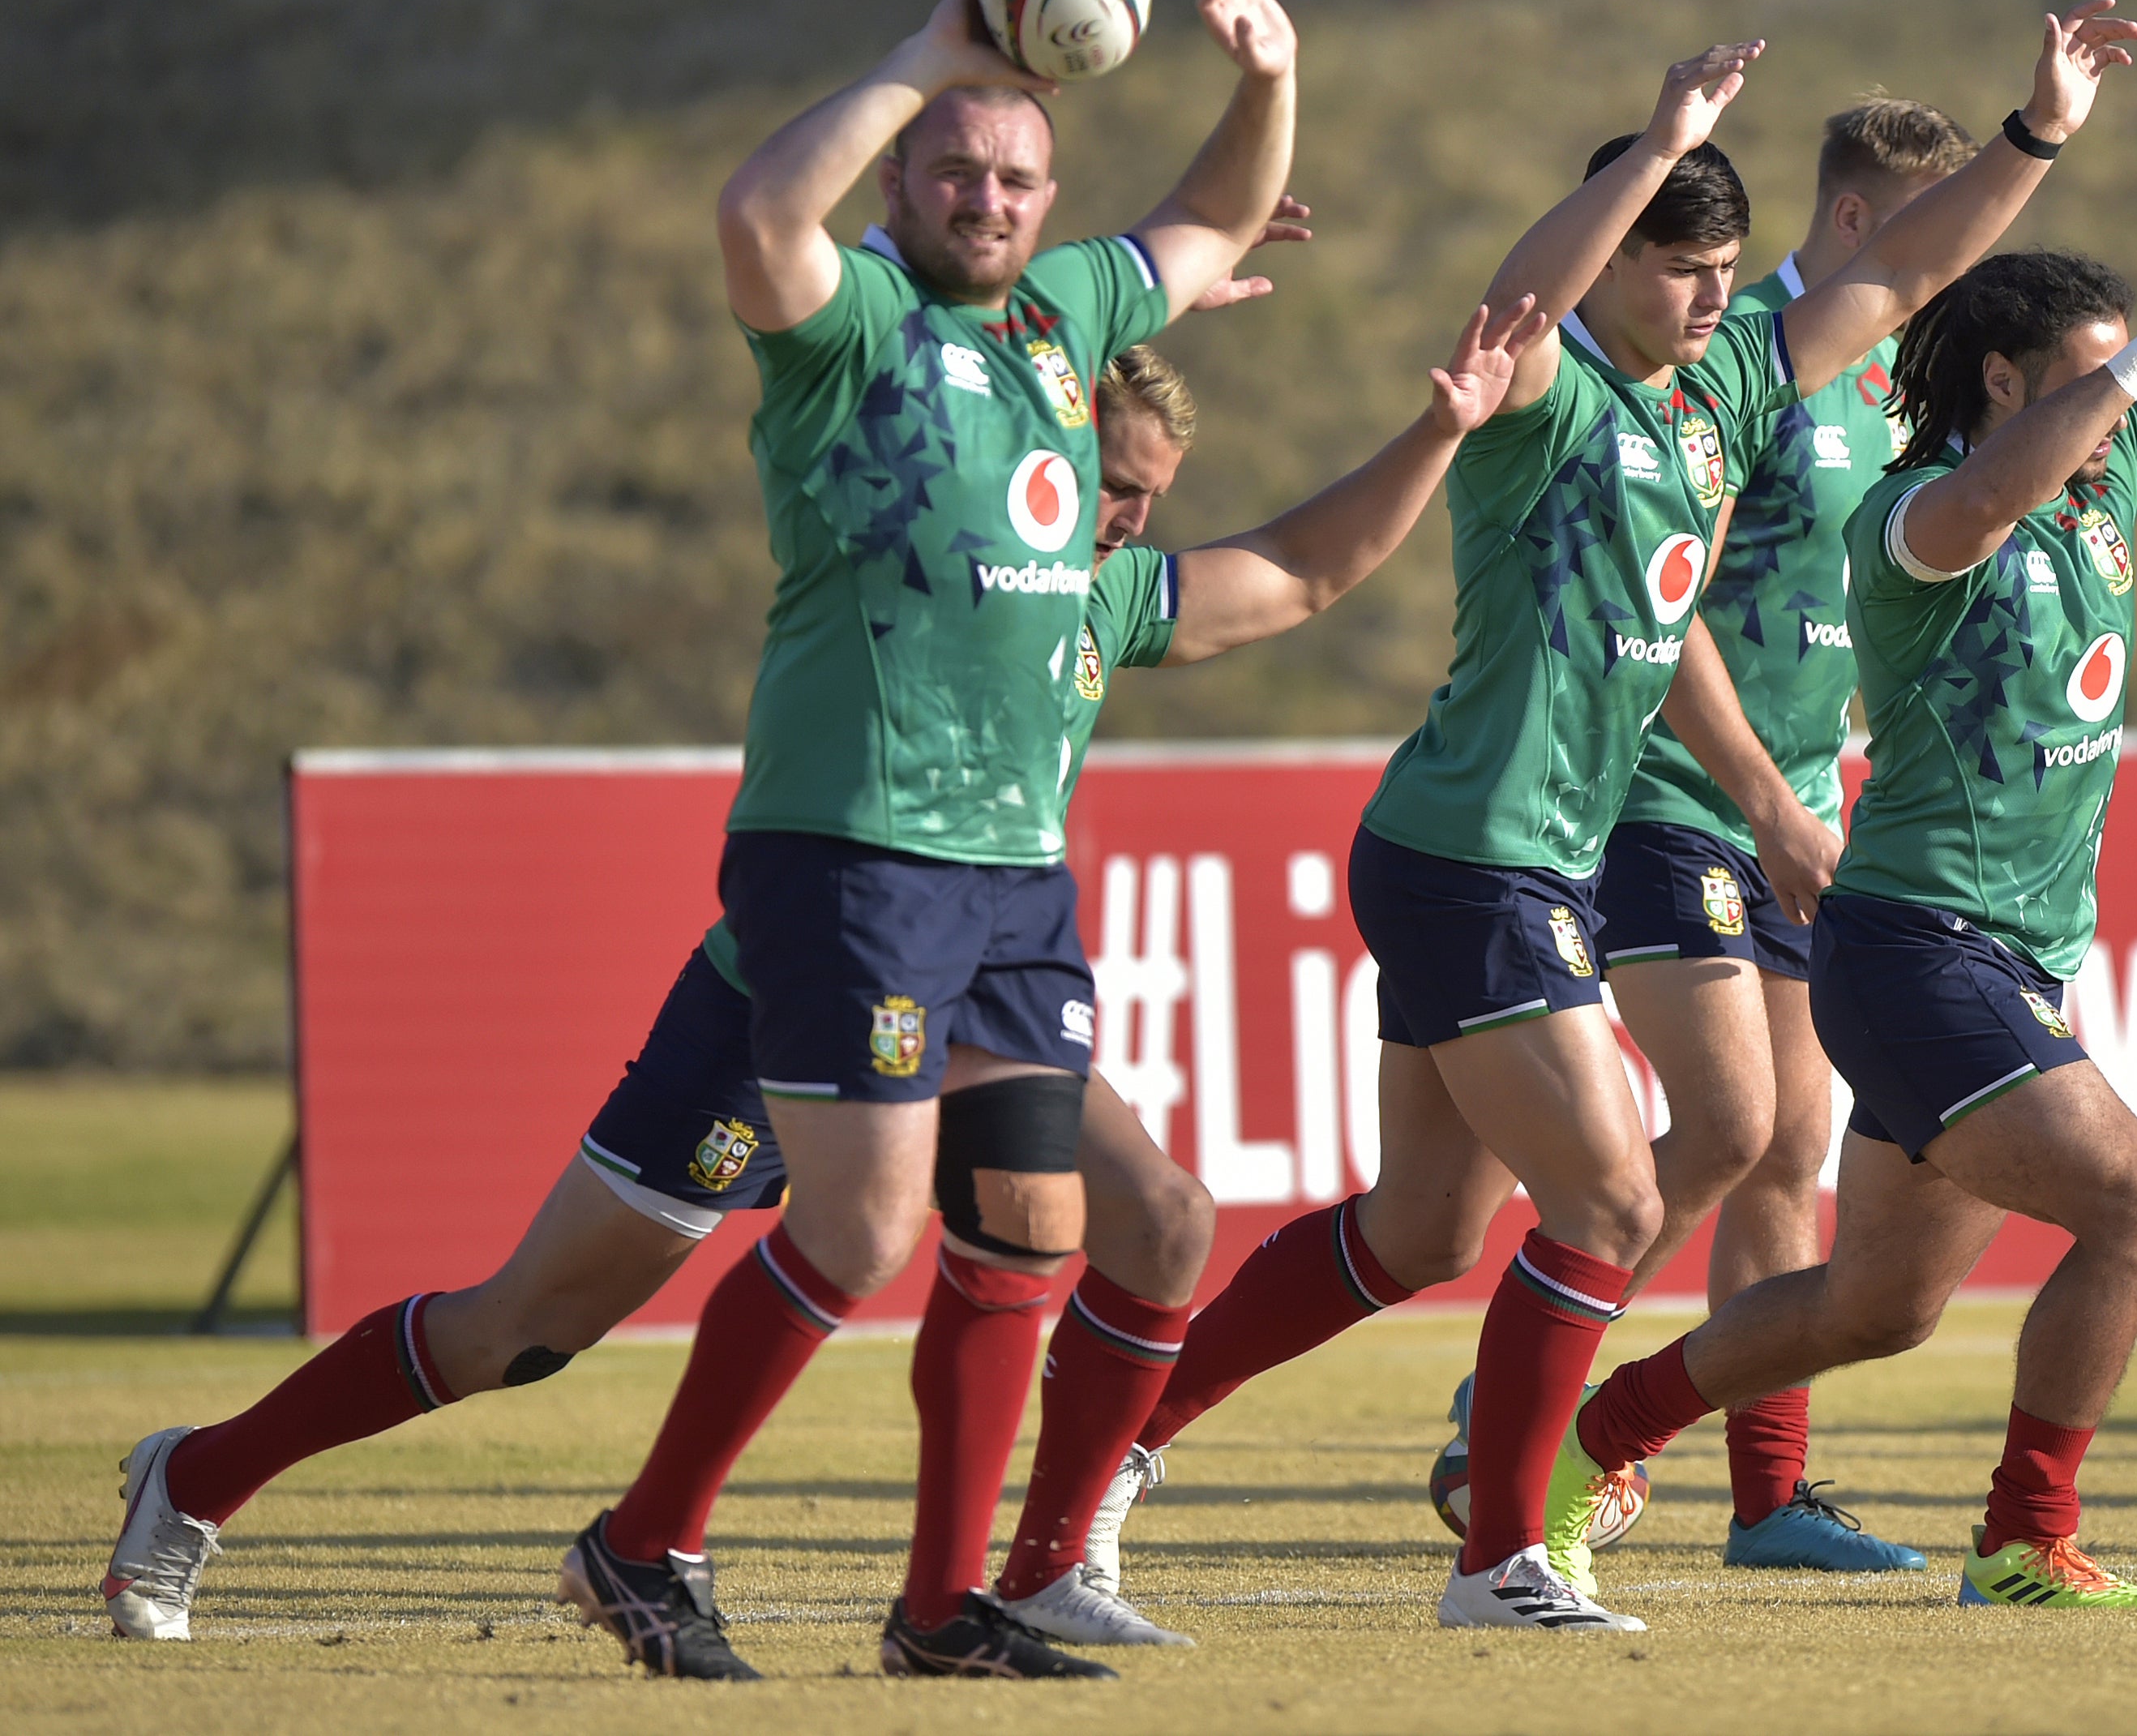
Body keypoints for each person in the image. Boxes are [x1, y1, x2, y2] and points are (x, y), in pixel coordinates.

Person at [103, 0, 1302, 1674]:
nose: (987, 192)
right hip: (839, 878)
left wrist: (1264, 75)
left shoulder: (1071, 318)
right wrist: (927, 48)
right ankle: (210, 1478)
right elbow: (756, 215)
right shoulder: (857, 322)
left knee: (1031, 1216)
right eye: (956, 166)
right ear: (899, 176)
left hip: (992, 882)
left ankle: (930, 1606)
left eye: (1019, 173)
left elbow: (1208, 216)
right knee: (540, 1322)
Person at [99, 291, 1548, 1664]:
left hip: (971, 985)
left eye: (1150, 498)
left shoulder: (1101, 604)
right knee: (521, 1329)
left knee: (1159, 1220)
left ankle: (1040, 1570)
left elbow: (1300, 570)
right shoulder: (913, 550)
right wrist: (1097, 283)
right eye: (1111, 479)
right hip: (791, 987)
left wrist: (1444, 427)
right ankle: (201, 1475)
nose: (1127, 518)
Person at [1084, 1, 2137, 1634]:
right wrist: (1651, 149)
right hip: (1477, 848)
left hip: (1517, 855)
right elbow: (1525, 294)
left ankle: (1119, 1450)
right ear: (1614, 269)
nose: (1709, 295)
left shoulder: (1725, 392)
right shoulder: (1538, 394)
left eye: (1723, 270)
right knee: (1615, 1199)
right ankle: (1508, 1548)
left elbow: (1906, 276)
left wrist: (2039, 134)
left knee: (1423, 1228)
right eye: (1673, 265)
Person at [1556, 138, 2137, 1614]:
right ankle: (2024, 1536)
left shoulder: (2108, 483)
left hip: (2003, 959)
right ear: (2012, 384)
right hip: (1917, 953)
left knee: (1876, 1306)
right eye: (2095, 382)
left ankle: (1606, 1429)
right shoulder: (1910, 524)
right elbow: (1997, 490)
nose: (2131, 407)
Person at [1506, 96, 1981, 1575]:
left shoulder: (1895, 392)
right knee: (1729, 1126)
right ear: (1854, 225)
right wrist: (1768, 797)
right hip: (1673, 794)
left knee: (1788, 1154)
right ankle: (1511, 1391)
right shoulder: (1743, 370)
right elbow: (1670, 606)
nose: (1941, 277)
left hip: (1796, 810)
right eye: (1924, 241)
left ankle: (1770, 1498)